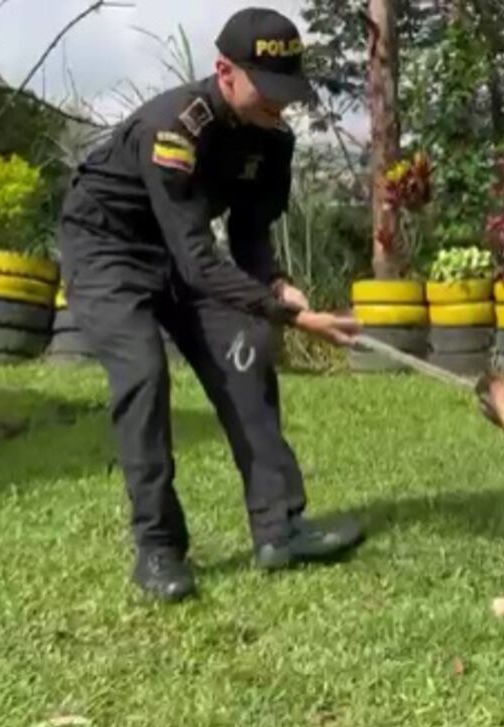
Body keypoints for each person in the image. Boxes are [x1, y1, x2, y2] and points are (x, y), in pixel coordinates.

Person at [57, 7, 364, 602]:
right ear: (225, 71)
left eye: (287, 90)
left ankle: (279, 529)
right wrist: (294, 317)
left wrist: (274, 283)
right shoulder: (175, 128)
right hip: (108, 250)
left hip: (183, 251)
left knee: (245, 353)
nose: (280, 104)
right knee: (143, 375)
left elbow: (247, 232)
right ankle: (158, 549)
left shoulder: (273, 140)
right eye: (267, 88)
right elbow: (199, 259)